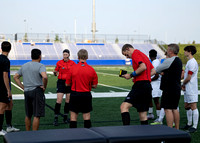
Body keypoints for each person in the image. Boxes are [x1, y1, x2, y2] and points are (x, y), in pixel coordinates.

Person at [120, 44, 156, 125]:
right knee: (143, 115)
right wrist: (140, 76)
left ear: (128, 49)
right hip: (147, 86)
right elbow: (153, 71)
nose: (127, 57)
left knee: (124, 107)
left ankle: (126, 131)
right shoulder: (144, 55)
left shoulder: (135, 54)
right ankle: (146, 136)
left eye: (126, 54)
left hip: (140, 86)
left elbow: (143, 67)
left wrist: (131, 75)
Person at [14, 49, 48, 131]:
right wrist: (44, 86)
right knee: (36, 115)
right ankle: (34, 135)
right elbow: (45, 76)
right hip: (36, 91)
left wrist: (23, 87)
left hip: (27, 92)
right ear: (40, 56)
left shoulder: (24, 65)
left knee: (28, 114)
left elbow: (15, 77)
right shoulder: (41, 66)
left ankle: (28, 133)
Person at [65, 49, 98, 128]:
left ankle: (73, 137)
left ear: (78, 57)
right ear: (87, 57)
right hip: (86, 94)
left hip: (75, 94)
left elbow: (67, 84)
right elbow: (94, 86)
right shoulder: (91, 69)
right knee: (86, 116)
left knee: (73, 117)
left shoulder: (72, 68)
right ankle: (88, 137)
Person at [156, 44, 182, 129]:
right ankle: (177, 129)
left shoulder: (169, 60)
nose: (166, 51)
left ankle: (170, 130)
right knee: (175, 108)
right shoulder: (179, 60)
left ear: (170, 51)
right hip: (176, 87)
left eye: (167, 50)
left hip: (169, 88)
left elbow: (157, 69)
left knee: (168, 109)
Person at [0, 41, 20, 136]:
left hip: (2, 86)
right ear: (10, 49)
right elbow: (5, 76)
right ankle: (0, 129)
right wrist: (8, 90)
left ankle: (9, 127)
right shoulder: (6, 60)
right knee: (2, 107)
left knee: (10, 104)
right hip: (3, 86)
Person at [53, 49, 76, 126]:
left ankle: (65, 118)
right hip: (61, 82)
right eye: (64, 54)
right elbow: (55, 72)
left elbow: (75, 72)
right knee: (59, 100)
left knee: (68, 100)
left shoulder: (73, 63)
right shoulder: (59, 62)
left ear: (69, 55)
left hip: (69, 83)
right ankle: (55, 118)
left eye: (66, 54)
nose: (65, 56)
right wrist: (55, 73)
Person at [182, 45, 199, 133]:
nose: (184, 52)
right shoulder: (189, 62)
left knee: (193, 106)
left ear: (190, 52)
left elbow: (189, 77)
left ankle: (194, 126)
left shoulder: (192, 62)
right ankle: (189, 123)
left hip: (191, 87)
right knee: (186, 106)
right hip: (187, 87)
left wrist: (183, 83)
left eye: (186, 51)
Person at [147, 49, 162, 121]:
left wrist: (149, 80)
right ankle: (150, 114)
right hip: (153, 84)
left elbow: (156, 76)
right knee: (149, 99)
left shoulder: (155, 63)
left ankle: (159, 117)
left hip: (155, 84)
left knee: (156, 100)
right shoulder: (155, 62)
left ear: (150, 55)